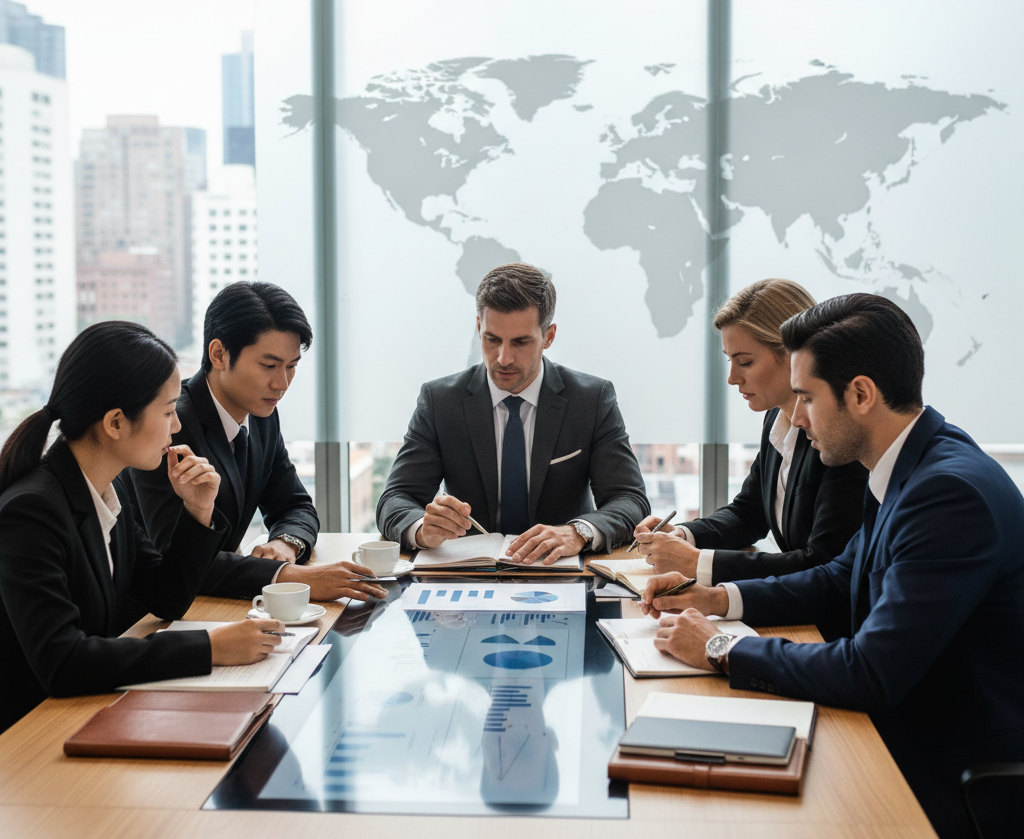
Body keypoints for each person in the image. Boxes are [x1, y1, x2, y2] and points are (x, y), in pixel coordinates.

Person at [640, 294, 1024, 839]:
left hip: (949, 777)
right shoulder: (909, 462)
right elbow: (839, 577)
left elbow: (870, 669)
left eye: (807, 397)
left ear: (861, 394)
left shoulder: (949, 493)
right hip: (896, 736)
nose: (794, 419)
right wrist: (718, 600)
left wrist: (721, 650)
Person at [0, 321, 286, 733]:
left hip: (87, 712)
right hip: (31, 735)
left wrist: (197, 512)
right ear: (116, 422)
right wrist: (209, 648)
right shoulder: (32, 511)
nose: (175, 427)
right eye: (168, 411)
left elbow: (165, 595)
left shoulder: (108, 486)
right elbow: (63, 662)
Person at [633, 279, 867, 632]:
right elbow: (750, 511)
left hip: (828, 628)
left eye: (744, 361)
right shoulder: (776, 416)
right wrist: (683, 536)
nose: (730, 378)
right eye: (729, 361)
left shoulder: (839, 437)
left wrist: (700, 563)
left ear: (792, 355)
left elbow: (823, 564)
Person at [376, 262, 650, 564]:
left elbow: (630, 500)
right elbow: (395, 499)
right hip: (467, 575)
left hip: (561, 571)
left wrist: (578, 533)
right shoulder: (441, 401)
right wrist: (421, 530)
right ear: (479, 327)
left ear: (549, 336)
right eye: (492, 339)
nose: (503, 358)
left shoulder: (591, 400)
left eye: (521, 342)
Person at [131, 282, 385, 603]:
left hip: (220, 602)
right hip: (156, 613)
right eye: (269, 366)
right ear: (219, 354)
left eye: (291, 367)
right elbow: (175, 558)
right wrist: (285, 576)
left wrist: (285, 544)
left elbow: (294, 505)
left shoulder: (262, 415)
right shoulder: (171, 427)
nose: (281, 384)